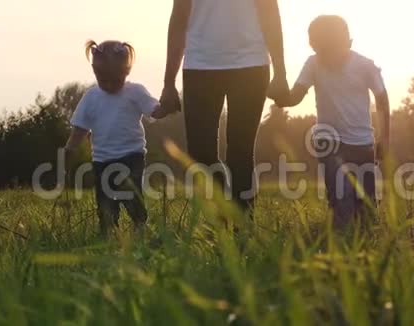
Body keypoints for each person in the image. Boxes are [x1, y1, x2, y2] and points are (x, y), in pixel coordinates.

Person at [159, 0, 290, 214]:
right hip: (199, 66)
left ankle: (242, 223)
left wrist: (280, 73)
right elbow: (178, 22)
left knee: (241, 150)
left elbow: (270, 15)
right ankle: (222, 213)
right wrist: (168, 83)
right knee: (200, 153)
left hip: (251, 65)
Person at [275, 15, 391, 229]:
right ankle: (339, 241)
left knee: (365, 205)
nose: (328, 58)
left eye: (333, 49)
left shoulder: (365, 66)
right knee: (341, 197)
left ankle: (363, 242)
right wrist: (278, 95)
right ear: (314, 48)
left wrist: (384, 138)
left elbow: (382, 100)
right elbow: (295, 96)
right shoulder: (313, 64)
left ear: (348, 43)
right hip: (330, 143)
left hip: (363, 144)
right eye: (322, 51)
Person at [64, 40, 170, 237]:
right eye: (105, 80)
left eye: (117, 79)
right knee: (105, 201)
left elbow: (154, 110)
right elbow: (79, 128)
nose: (111, 85)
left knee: (131, 194)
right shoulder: (91, 97)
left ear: (126, 72)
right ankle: (108, 232)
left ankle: (140, 227)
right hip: (101, 160)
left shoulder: (135, 92)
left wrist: (166, 107)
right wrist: (69, 149)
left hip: (133, 156)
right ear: (96, 73)